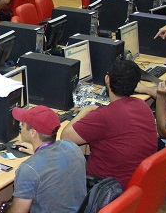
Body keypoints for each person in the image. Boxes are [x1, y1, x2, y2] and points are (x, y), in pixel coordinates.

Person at [61, 60, 157, 188]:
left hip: (106, 187)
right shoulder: (142, 105)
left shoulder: (104, 116)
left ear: (107, 79)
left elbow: (65, 137)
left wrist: (85, 110)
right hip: (137, 183)